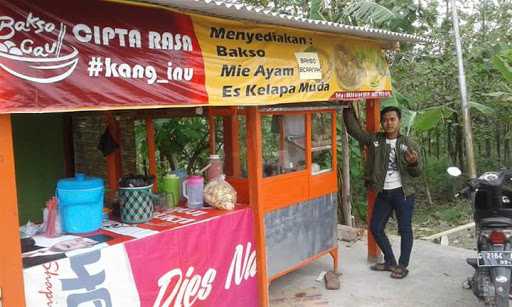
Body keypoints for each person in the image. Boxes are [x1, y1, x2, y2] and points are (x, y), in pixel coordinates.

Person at [343, 104, 422, 279]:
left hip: (403, 193)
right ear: (381, 123)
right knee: (376, 227)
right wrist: (347, 106)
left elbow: (417, 173)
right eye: (385, 120)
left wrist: (413, 163)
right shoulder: (375, 140)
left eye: (392, 119)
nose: (389, 123)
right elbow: (355, 131)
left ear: (399, 121)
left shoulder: (409, 143)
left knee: (405, 230)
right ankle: (390, 261)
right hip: (384, 193)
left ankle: (402, 265)